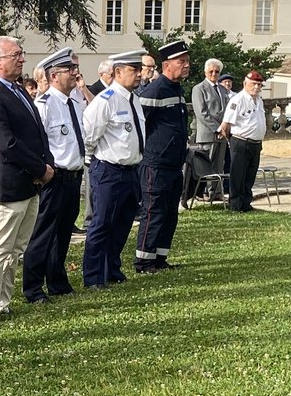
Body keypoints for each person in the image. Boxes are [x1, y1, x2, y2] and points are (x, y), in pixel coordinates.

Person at [0, 36, 53, 322]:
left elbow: (36, 131)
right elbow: (6, 143)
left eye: (22, 54)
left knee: (16, 248)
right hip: (7, 185)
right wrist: (40, 168)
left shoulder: (16, 89)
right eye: (16, 55)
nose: (22, 59)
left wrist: (47, 163)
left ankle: (3, 302)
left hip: (28, 183)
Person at [23, 48, 85, 302]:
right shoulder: (44, 105)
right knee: (43, 233)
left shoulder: (77, 101)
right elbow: (36, 143)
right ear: (54, 76)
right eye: (69, 70)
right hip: (54, 177)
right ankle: (33, 287)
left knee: (63, 232)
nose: (75, 73)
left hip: (74, 174)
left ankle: (57, 280)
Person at [81, 50, 145, 289]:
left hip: (130, 169)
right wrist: (94, 161)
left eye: (139, 70)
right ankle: (94, 276)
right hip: (108, 169)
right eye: (133, 70)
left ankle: (111, 270)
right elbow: (89, 135)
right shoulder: (105, 100)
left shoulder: (133, 99)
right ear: (118, 72)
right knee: (102, 223)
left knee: (123, 222)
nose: (138, 74)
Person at [134, 40, 190, 274]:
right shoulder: (155, 90)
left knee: (169, 213)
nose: (186, 65)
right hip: (155, 164)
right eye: (181, 61)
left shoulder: (177, 89)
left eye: (187, 61)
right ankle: (144, 261)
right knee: (153, 212)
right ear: (167, 65)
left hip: (174, 164)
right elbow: (139, 124)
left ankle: (159, 258)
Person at [219, 70, 268, 212]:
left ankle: (246, 202)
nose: (256, 87)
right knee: (238, 174)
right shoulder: (237, 100)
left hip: (256, 143)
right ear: (245, 84)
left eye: (259, 85)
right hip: (241, 141)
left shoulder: (259, 100)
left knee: (250, 175)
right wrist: (231, 142)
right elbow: (226, 124)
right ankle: (236, 204)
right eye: (254, 84)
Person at [192, 58, 230, 179]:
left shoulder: (223, 89)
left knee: (219, 166)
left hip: (222, 134)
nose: (214, 74)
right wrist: (217, 128)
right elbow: (201, 112)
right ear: (205, 72)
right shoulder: (199, 89)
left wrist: (225, 126)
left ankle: (217, 191)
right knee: (207, 167)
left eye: (217, 72)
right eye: (211, 71)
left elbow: (227, 110)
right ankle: (206, 192)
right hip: (208, 134)